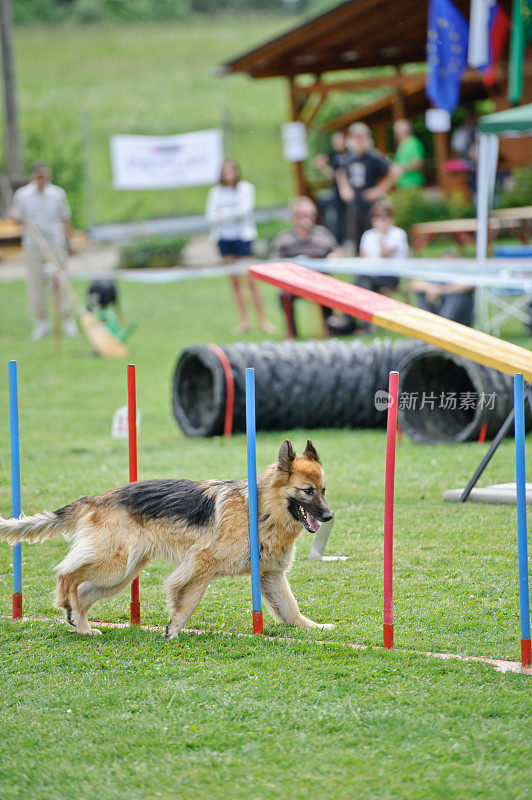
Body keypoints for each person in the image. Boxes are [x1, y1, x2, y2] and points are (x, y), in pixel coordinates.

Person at [205, 158, 274, 335]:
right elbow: (211, 216)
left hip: (242, 238)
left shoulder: (245, 188)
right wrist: (227, 216)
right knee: (234, 282)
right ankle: (244, 321)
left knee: (251, 280)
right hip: (225, 239)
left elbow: (245, 211)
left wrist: (224, 214)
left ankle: (263, 320)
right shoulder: (216, 192)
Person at [9, 162, 77, 340]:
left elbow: (65, 218)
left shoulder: (57, 194)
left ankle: (67, 319)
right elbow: (15, 217)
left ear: (49, 176)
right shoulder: (22, 195)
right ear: (33, 177)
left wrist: (70, 241)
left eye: (45, 176)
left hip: (56, 243)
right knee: (36, 283)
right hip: (33, 245)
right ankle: (42, 322)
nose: (42, 179)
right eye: (39, 176)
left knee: (61, 281)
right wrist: (16, 217)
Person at [327, 199, 408, 335]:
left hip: (391, 276)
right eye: (377, 216)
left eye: (385, 215)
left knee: (363, 282)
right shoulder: (368, 235)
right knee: (361, 282)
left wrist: (382, 236)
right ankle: (356, 324)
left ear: (391, 218)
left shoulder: (397, 234)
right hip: (370, 275)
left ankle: (352, 321)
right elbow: (363, 258)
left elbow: (385, 255)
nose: (382, 220)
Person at [270, 196, 341, 338]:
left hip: (320, 281)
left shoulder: (323, 234)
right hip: (294, 283)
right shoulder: (284, 239)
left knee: (329, 291)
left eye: (308, 215)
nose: (305, 219)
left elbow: (336, 251)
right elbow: (274, 260)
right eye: (300, 215)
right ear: (293, 218)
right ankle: (291, 331)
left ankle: (331, 327)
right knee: (284, 295)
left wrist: (333, 257)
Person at [336, 122, 400, 253]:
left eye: (362, 138)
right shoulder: (348, 157)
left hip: (371, 207)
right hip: (355, 206)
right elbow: (340, 173)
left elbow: (395, 171)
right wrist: (344, 188)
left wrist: (380, 190)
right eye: (356, 138)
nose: (359, 142)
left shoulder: (374, 156)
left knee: (373, 239)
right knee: (357, 241)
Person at [409, 251, 474, 327]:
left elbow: (469, 285)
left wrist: (441, 290)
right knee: (421, 293)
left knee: (456, 296)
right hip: (438, 312)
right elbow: (414, 284)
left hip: (458, 320)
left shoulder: (461, 276)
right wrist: (431, 289)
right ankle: (425, 324)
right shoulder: (437, 276)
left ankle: (441, 326)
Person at [312, 131, 350, 244]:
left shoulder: (350, 154)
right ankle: (340, 241)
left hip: (349, 191)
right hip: (337, 190)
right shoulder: (332, 154)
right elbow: (318, 162)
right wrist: (331, 173)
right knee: (338, 217)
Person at [392, 119, 425, 189]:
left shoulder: (413, 142)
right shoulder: (402, 144)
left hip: (413, 184)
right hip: (402, 185)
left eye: (396, 131)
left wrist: (401, 169)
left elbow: (418, 163)